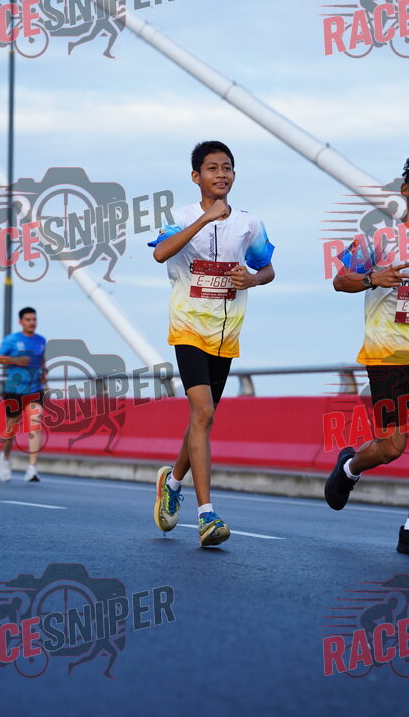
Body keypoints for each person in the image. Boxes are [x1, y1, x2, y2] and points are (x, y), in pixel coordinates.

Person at [149, 140, 275, 546]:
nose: (221, 174)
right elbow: (161, 253)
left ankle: (172, 481)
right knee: (202, 412)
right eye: (212, 168)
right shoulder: (181, 217)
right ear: (196, 176)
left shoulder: (250, 224)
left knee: (202, 420)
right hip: (188, 328)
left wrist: (252, 279)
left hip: (226, 333)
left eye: (227, 167)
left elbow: (267, 269)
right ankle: (207, 515)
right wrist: (205, 219)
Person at [324, 154, 409, 554]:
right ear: (407, 189)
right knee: (392, 447)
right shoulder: (379, 239)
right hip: (387, 355)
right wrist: (372, 278)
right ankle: (350, 466)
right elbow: (340, 280)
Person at [0, 307, 47, 483]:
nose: (32, 322)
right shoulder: (12, 340)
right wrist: (16, 360)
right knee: (11, 429)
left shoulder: (41, 340)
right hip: (14, 390)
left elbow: (42, 361)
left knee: (35, 423)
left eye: (34, 319)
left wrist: (44, 377)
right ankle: (5, 458)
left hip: (35, 389)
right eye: (28, 319)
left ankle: (32, 468)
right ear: (21, 322)